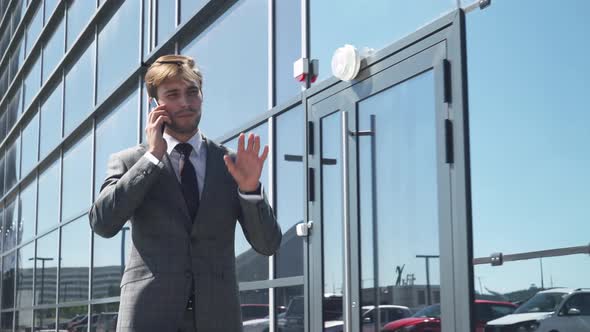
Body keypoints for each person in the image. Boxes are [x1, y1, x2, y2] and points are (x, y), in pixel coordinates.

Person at [89, 54, 282, 332]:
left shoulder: (231, 164)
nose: (185, 102)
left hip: (218, 319)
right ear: (154, 104)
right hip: (147, 317)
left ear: (202, 96)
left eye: (192, 92)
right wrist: (153, 159)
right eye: (173, 94)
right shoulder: (130, 161)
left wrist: (250, 190)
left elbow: (268, 245)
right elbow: (103, 223)